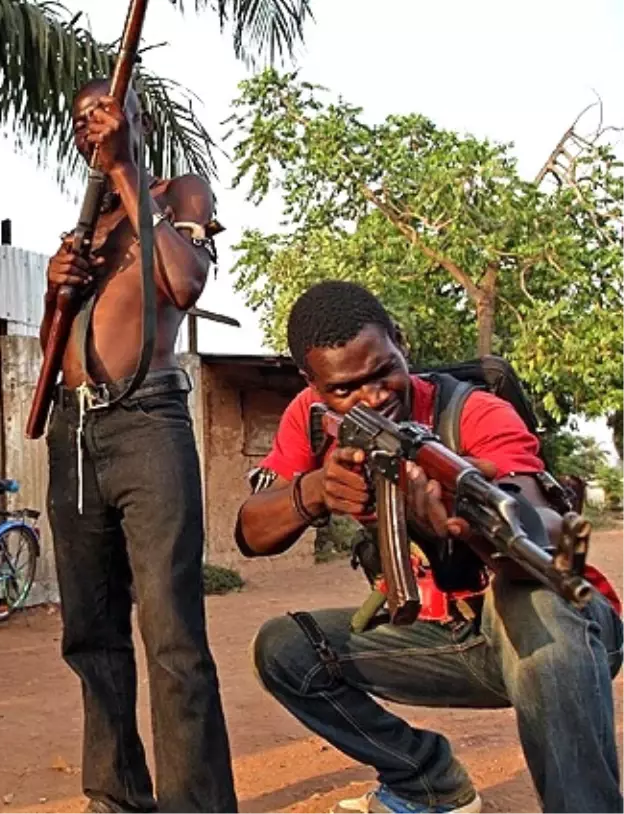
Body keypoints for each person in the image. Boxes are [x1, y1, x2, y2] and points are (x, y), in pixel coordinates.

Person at [238, 280, 623, 814]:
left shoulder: (475, 413)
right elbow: (251, 532)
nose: (374, 398)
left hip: (556, 641)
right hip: (441, 639)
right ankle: (428, 782)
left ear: (402, 342)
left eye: (383, 372)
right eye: (346, 389)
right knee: (284, 649)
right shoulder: (310, 419)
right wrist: (315, 491)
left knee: (542, 602)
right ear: (313, 384)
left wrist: (468, 518)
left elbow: (541, 531)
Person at [40, 78, 238, 814]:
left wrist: (126, 174)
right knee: (90, 630)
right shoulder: (83, 225)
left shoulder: (176, 193)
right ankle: (116, 794)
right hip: (73, 429)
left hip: (148, 419)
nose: (90, 124)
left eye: (103, 110)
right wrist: (55, 287)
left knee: (171, 631)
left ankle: (197, 805)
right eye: (79, 117)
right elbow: (51, 349)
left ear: (137, 121)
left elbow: (184, 284)